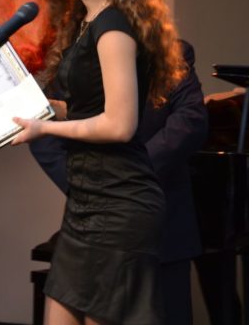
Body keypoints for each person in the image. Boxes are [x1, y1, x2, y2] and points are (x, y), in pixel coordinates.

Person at [11, 0, 187, 324]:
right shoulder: (86, 22)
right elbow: (88, 110)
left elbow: (119, 124)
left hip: (120, 204)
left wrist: (45, 129)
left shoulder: (112, 26)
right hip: (86, 203)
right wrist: (46, 109)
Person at [30, 39, 208, 325]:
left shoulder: (171, 51)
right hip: (92, 221)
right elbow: (44, 134)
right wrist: (87, 183)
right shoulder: (72, 55)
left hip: (163, 226)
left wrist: (129, 174)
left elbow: (190, 121)